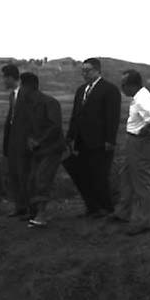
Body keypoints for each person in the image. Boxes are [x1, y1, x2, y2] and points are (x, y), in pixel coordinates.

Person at [64, 57, 122, 218]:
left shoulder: (109, 90)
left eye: (87, 70)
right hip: (82, 141)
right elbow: (75, 115)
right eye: (82, 71)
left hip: (100, 142)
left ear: (97, 70)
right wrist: (70, 136)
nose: (84, 74)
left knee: (100, 175)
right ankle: (92, 207)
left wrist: (110, 140)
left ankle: (106, 208)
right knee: (84, 174)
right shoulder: (81, 90)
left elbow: (112, 117)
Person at [113, 69, 150, 236]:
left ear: (132, 85)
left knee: (141, 180)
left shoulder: (142, 99)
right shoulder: (138, 97)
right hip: (134, 141)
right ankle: (124, 212)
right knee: (126, 175)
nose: (122, 88)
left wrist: (141, 133)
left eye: (123, 85)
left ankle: (143, 221)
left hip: (141, 143)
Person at [18, 72, 66, 228]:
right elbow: (28, 126)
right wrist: (30, 139)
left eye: (22, 86)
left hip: (52, 148)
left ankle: (41, 215)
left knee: (42, 179)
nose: (20, 90)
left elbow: (55, 127)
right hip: (37, 149)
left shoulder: (50, 103)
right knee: (32, 179)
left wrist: (39, 140)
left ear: (29, 87)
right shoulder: (28, 104)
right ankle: (34, 213)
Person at [0, 63, 27, 216]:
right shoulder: (12, 96)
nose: (3, 81)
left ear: (11, 78)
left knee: (24, 175)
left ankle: (28, 208)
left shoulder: (26, 94)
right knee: (14, 175)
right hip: (13, 142)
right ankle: (20, 207)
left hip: (23, 142)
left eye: (4, 78)